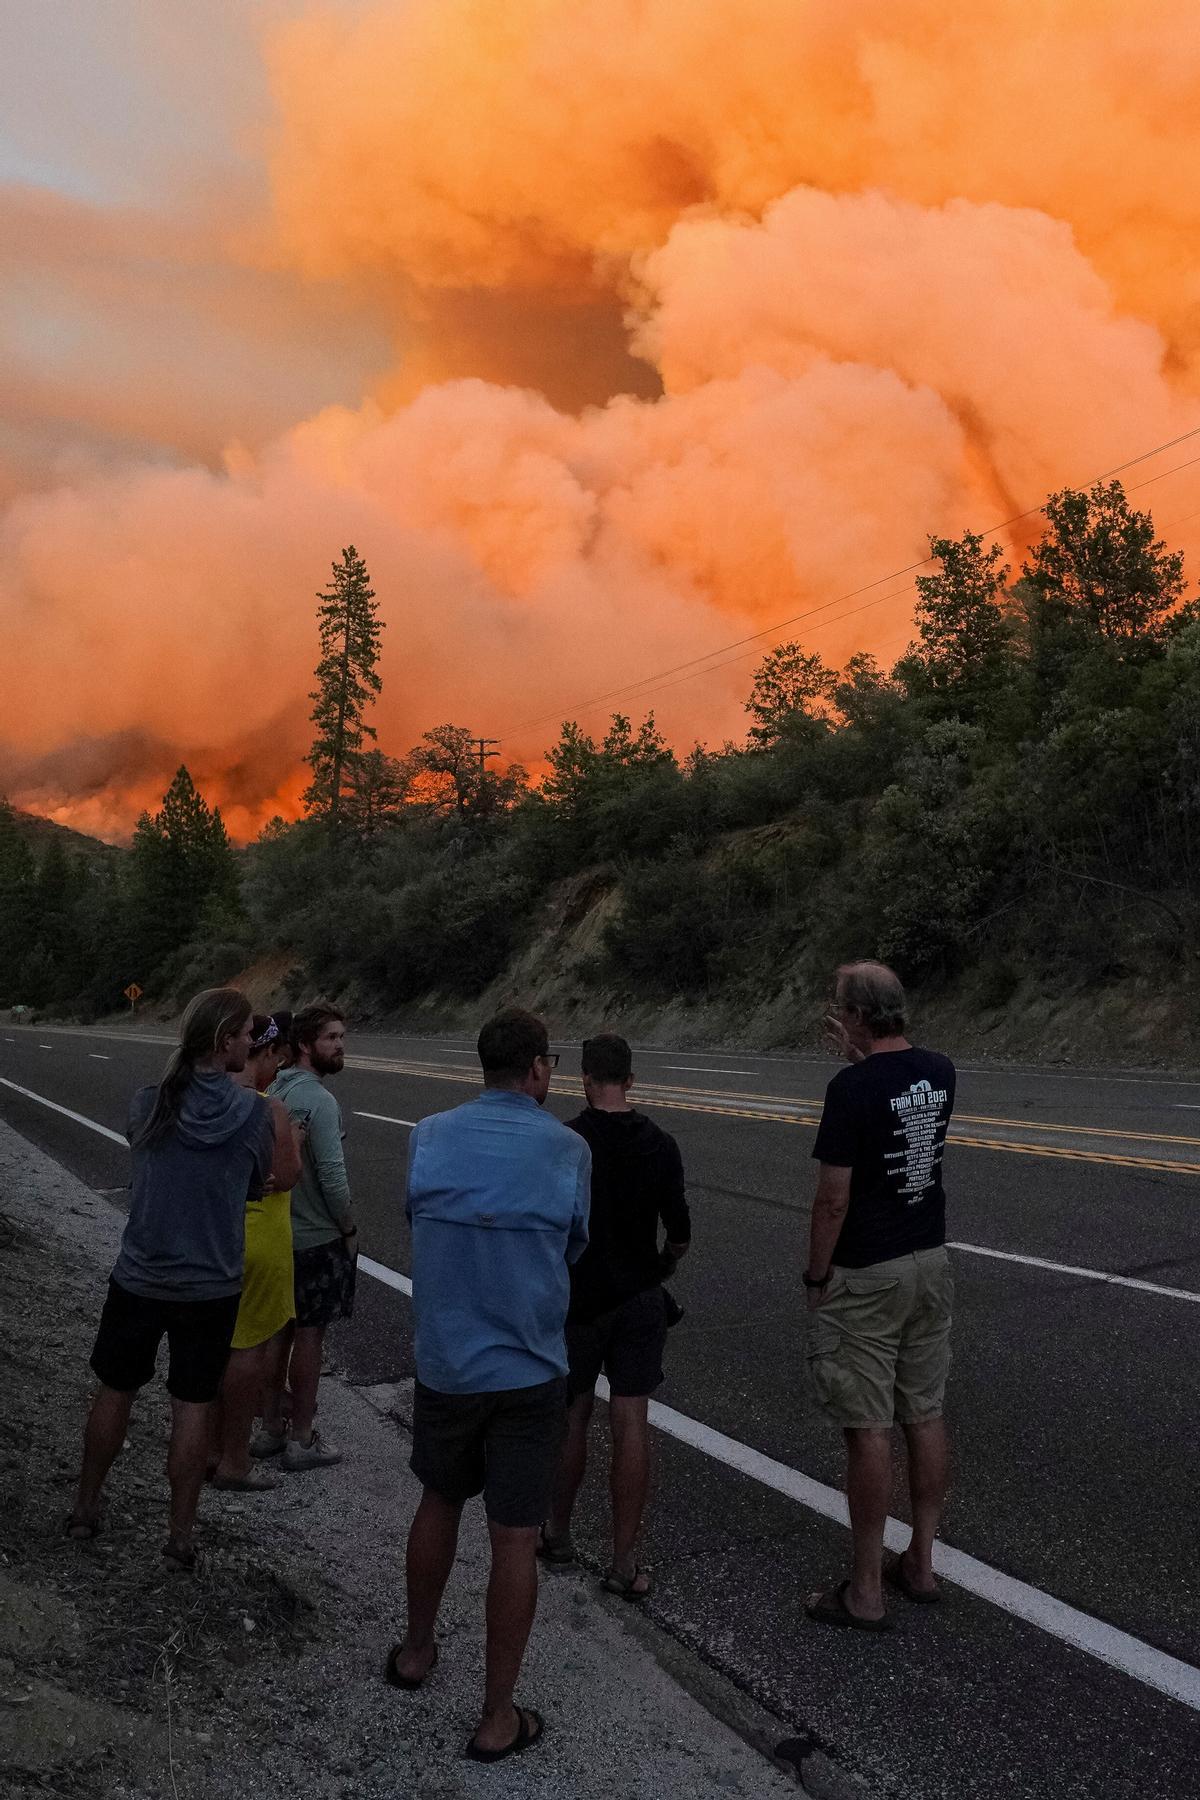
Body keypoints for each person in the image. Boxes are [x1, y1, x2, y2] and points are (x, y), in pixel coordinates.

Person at [389, 1007, 590, 1764]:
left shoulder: (429, 1134)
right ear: (537, 1068)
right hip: (531, 1369)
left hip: (448, 1363)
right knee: (514, 1536)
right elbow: (574, 1242)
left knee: (438, 1499)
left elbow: (415, 1217)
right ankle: (496, 1714)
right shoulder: (568, 1149)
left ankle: (415, 1651)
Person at [66, 988, 297, 1569]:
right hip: (211, 1285)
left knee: (115, 1389)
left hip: (140, 1277)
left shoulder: (149, 1102)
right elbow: (255, 1184)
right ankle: (180, 1536)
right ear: (224, 1041)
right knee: (192, 1405)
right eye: (247, 1032)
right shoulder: (254, 1114)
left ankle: (86, 1507)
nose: (254, 1040)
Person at [803, 960, 957, 1631]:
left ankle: (865, 1589)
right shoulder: (941, 1071)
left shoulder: (851, 1089)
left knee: (867, 1426)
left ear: (859, 1014)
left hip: (869, 1270)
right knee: (922, 1411)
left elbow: (833, 1198)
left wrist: (816, 1274)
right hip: (930, 1257)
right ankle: (921, 1560)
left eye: (840, 1007)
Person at [543, 1032, 691, 1599]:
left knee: (573, 1417)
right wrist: (661, 1265)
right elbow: (679, 1235)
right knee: (631, 1422)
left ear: (583, 1079)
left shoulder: (567, 1141)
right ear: (631, 1080)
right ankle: (624, 1561)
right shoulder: (661, 1143)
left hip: (580, 1300)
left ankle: (557, 1535)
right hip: (639, 1299)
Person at [264, 1002, 356, 1471]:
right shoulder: (319, 1101)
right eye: (331, 1039)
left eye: (342, 1037)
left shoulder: (274, 1086)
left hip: (279, 1232)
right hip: (316, 1239)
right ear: (305, 1045)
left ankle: (269, 1427)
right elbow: (334, 1181)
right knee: (310, 1336)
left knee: (277, 1333)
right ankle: (301, 1437)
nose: (340, 1046)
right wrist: (349, 1228)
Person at [210, 1015, 301, 1491]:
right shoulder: (269, 1109)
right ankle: (234, 1458)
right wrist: (296, 1144)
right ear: (262, 1055)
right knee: (250, 1351)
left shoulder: (206, 1099)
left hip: (214, 1239)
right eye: (272, 1057)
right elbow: (285, 1177)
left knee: (212, 1347)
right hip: (263, 1240)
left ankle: (206, 1446)